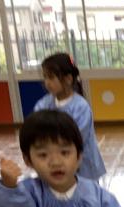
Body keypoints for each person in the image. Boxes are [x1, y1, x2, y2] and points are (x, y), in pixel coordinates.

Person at [34, 52, 106, 181]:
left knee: (85, 192)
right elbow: (36, 129)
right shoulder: (43, 104)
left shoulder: (81, 107)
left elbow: (77, 138)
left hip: (83, 166)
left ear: (68, 79)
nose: (47, 82)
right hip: (55, 163)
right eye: (45, 77)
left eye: (51, 77)